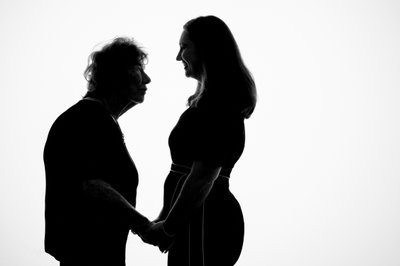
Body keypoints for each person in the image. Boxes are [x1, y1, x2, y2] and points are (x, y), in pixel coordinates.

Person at [43, 37, 161, 266]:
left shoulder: (96, 119)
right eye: (139, 69)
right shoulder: (89, 118)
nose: (147, 79)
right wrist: (145, 227)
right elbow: (93, 186)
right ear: (116, 74)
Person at [152, 16, 257, 266]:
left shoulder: (220, 104)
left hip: (205, 221)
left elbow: (202, 176)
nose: (178, 57)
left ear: (206, 49)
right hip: (192, 220)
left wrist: (168, 228)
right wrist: (164, 220)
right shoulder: (209, 102)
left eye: (184, 47)